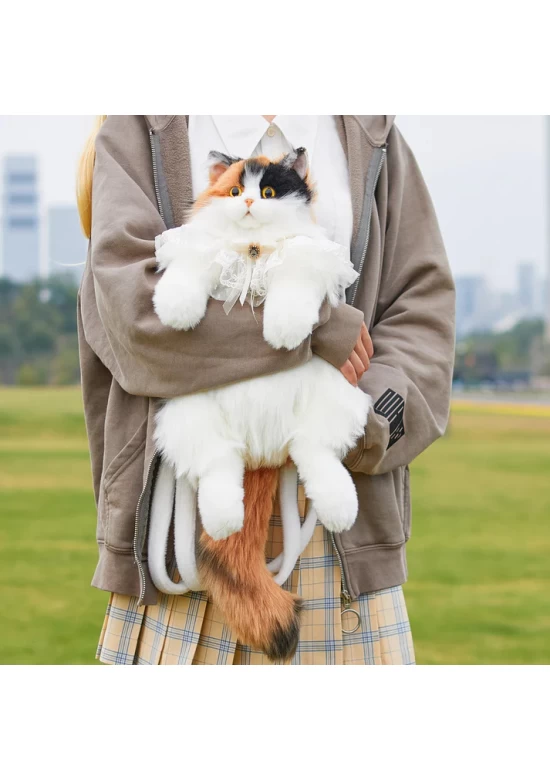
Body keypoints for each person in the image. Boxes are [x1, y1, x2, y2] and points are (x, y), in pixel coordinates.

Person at [77, 115, 455, 665]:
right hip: (177, 553)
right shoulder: (142, 130)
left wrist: (356, 421)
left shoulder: (371, 133)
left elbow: (422, 309)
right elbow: (133, 316)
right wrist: (316, 329)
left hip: (340, 542)